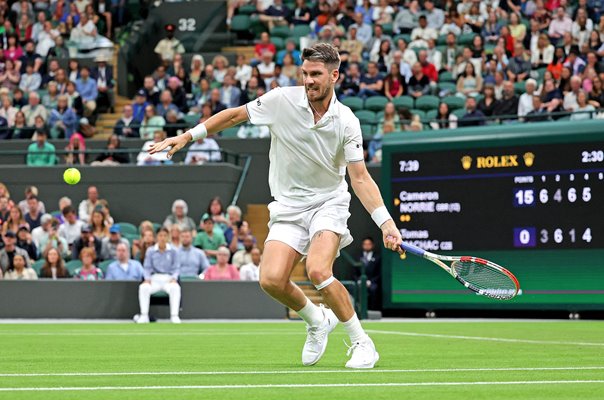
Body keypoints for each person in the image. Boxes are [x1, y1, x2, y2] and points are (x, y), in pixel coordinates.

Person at [149, 43, 402, 369]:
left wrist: (385, 223)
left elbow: (361, 178)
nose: (309, 80)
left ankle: (361, 342)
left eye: (317, 74)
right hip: (288, 205)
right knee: (270, 279)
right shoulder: (281, 100)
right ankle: (316, 319)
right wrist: (188, 136)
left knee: (318, 270)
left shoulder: (347, 122)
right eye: (305, 73)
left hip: (329, 202)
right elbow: (235, 115)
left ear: (335, 75)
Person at [137, 228, 182, 324]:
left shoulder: (174, 251)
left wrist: (174, 278)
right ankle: (144, 315)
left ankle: (174, 316)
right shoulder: (150, 251)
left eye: (165, 236)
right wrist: (147, 278)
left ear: (168, 237)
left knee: (175, 288)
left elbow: (176, 267)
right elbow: (147, 267)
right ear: (157, 237)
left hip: (168, 279)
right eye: (160, 236)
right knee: (143, 287)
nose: (162, 238)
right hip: (154, 279)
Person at [356, 237, 381, 310]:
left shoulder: (377, 257)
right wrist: (359, 280)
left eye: (369, 244)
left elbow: (379, 273)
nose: (367, 246)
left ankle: (372, 310)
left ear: (372, 245)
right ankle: (358, 310)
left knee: (374, 289)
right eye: (365, 244)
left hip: (372, 282)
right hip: (360, 282)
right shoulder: (358, 257)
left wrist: (370, 282)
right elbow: (354, 272)